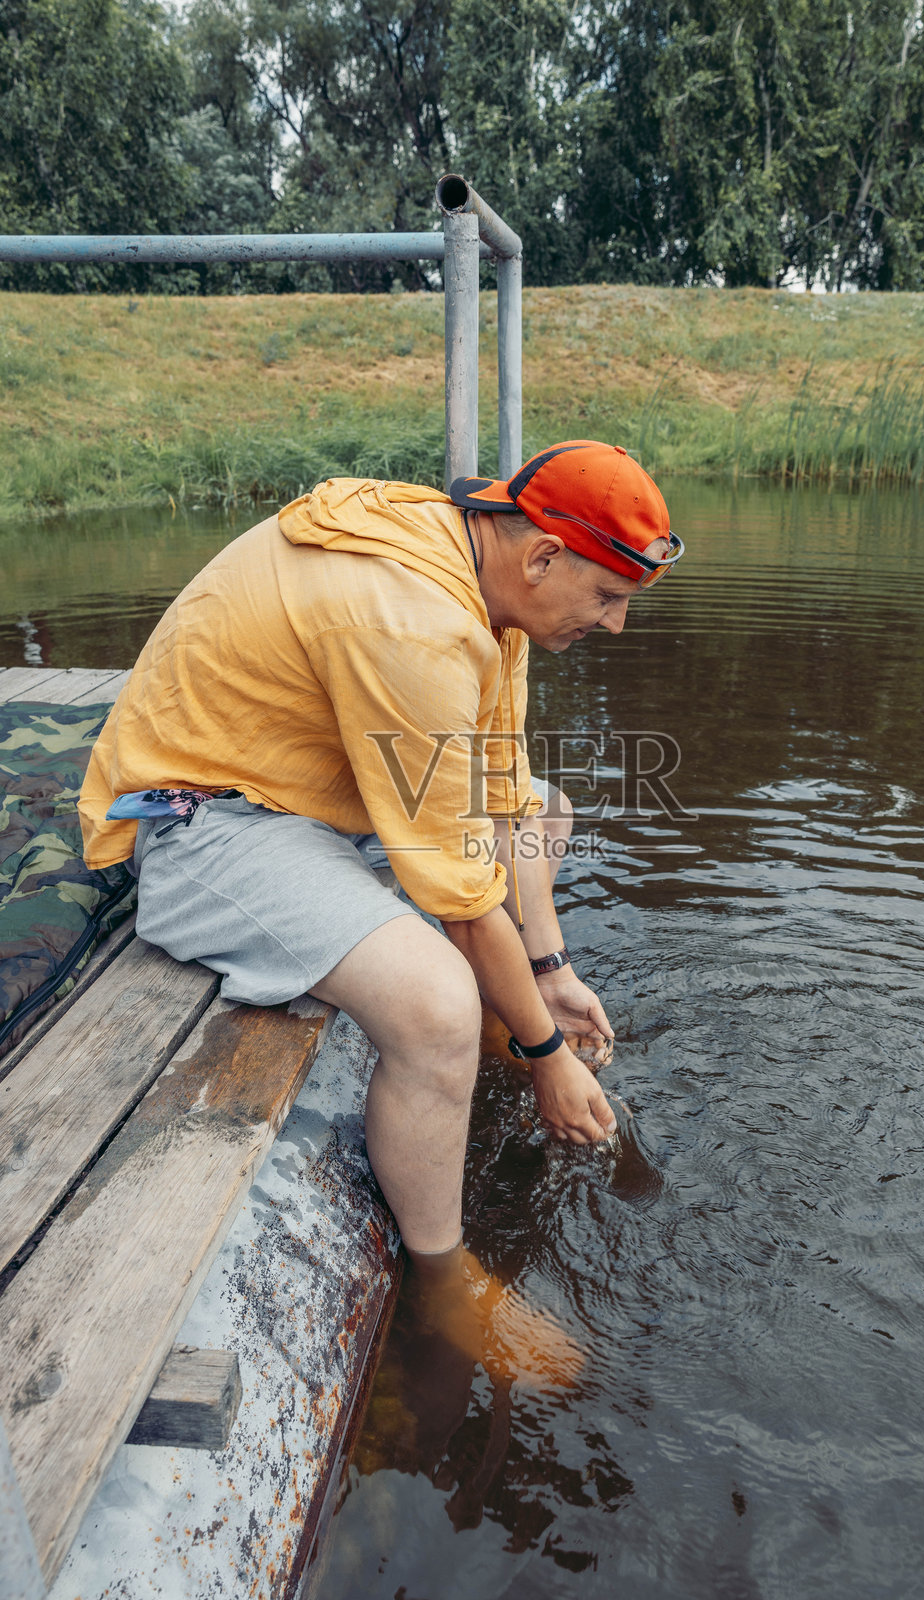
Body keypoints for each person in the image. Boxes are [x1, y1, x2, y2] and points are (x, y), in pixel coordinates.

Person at [79, 438, 682, 1384]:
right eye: (607, 599)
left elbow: (505, 794)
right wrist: (544, 1056)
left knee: (547, 813)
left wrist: (551, 972)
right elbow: (458, 896)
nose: (613, 627)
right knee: (438, 1004)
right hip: (208, 824)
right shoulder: (411, 619)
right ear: (542, 556)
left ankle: (490, 1041)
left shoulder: (487, 591)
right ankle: (443, 1278)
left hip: (317, 795)